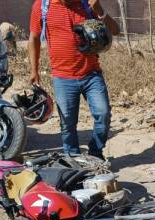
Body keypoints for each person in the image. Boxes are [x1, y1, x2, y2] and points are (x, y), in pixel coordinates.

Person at [28, 0, 119, 160]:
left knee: (103, 114)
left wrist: (99, 11)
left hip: (91, 74)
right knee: (67, 124)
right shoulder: (42, 6)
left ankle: (95, 153)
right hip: (62, 77)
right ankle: (74, 160)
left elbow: (115, 31)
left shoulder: (86, 5)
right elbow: (34, 37)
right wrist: (34, 71)